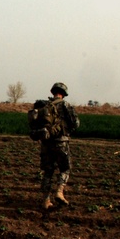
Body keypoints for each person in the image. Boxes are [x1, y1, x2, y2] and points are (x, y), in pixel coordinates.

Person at [28, 82, 79, 210]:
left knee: (48, 172)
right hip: (61, 142)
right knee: (65, 168)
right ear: (63, 94)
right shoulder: (66, 105)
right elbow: (76, 123)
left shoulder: (44, 105)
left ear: (53, 92)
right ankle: (59, 192)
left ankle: (46, 201)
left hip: (46, 143)